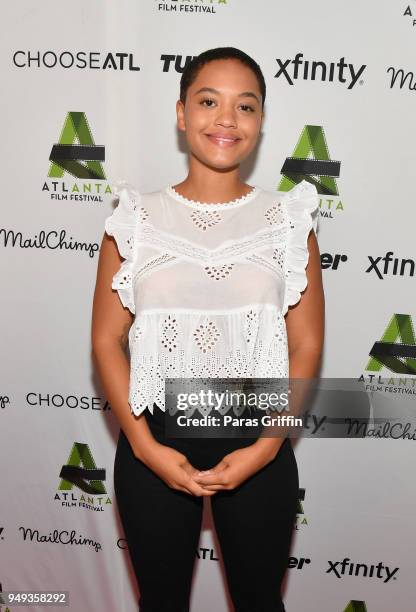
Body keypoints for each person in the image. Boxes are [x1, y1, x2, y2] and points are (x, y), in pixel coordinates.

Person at [92, 46, 324, 612]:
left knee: (259, 602)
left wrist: (267, 447)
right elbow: (105, 338)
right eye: (208, 101)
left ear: (261, 122)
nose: (226, 118)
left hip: (257, 437)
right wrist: (146, 447)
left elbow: (306, 342)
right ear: (181, 113)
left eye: (245, 106)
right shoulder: (135, 218)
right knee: (161, 603)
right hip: (154, 439)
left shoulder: (288, 220)